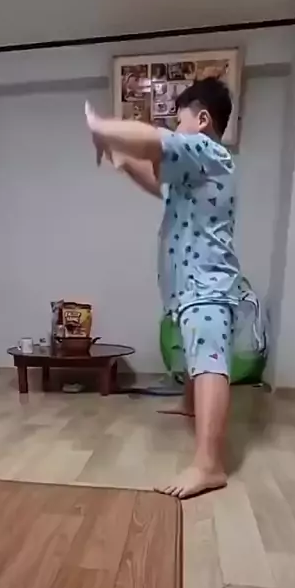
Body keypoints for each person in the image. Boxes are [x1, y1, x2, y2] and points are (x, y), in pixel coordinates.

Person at [85, 78, 259, 499]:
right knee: (195, 349)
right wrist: (122, 160)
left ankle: (209, 464)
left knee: (209, 360)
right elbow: (156, 181)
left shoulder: (208, 151)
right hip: (191, 285)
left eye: (179, 121)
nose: (176, 129)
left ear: (203, 120)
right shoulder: (191, 173)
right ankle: (189, 404)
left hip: (207, 283)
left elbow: (153, 141)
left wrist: (101, 127)